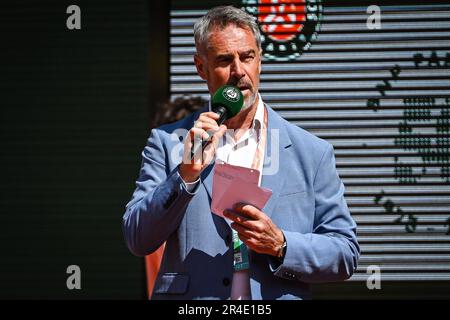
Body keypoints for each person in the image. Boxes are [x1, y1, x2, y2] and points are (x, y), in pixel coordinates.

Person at [123, 6, 360, 300]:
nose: (239, 71)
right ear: (201, 67)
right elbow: (137, 238)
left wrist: (281, 244)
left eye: (247, 56)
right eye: (224, 60)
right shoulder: (168, 142)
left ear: (259, 59)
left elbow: (345, 253)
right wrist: (185, 175)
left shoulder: (311, 152)